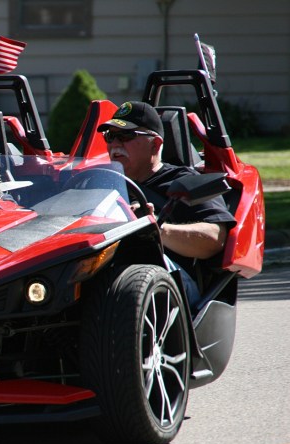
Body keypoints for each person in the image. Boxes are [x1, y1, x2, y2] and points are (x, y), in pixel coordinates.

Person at [97, 100, 236, 305]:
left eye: (125, 136)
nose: (115, 144)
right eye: (110, 136)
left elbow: (216, 240)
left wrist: (156, 228)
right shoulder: (100, 184)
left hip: (166, 283)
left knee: (134, 280)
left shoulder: (184, 181)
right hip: (104, 275)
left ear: (155, 144)